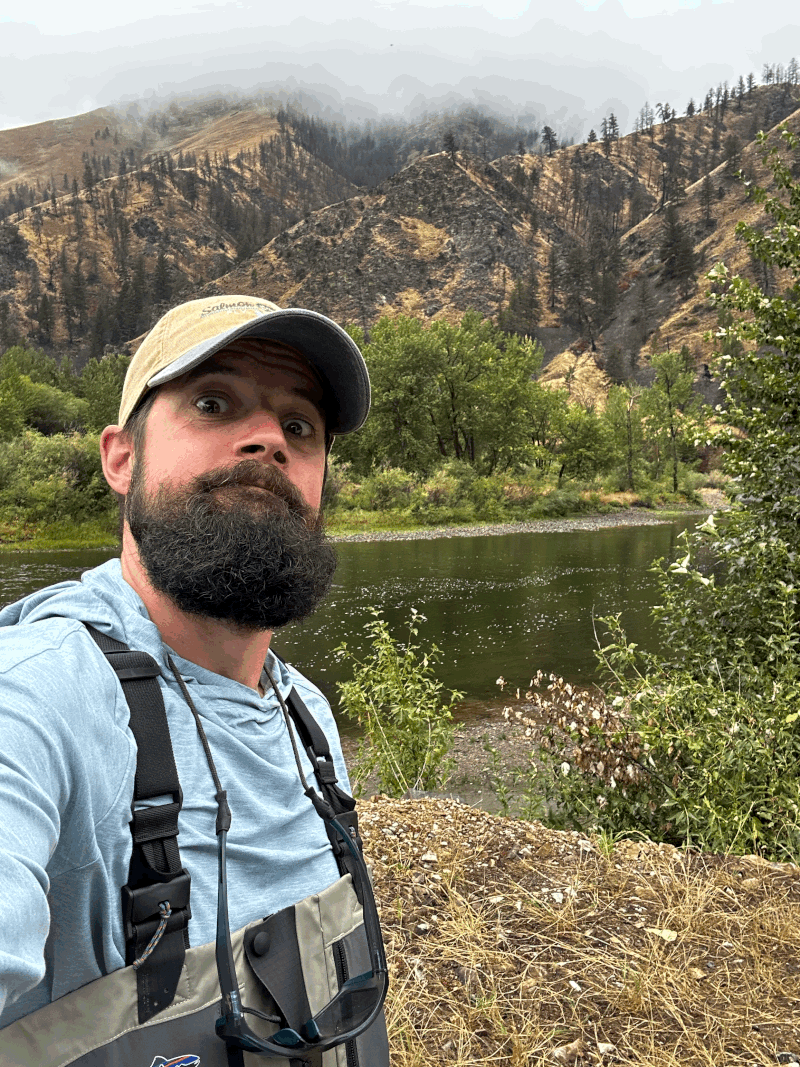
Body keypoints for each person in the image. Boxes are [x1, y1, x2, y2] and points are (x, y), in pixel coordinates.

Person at [0, 295, 388, 1065]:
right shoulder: (39, 697)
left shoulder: (302, 711)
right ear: (121, 458)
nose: (269, 438)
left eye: (301, 426)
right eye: (214, 403)